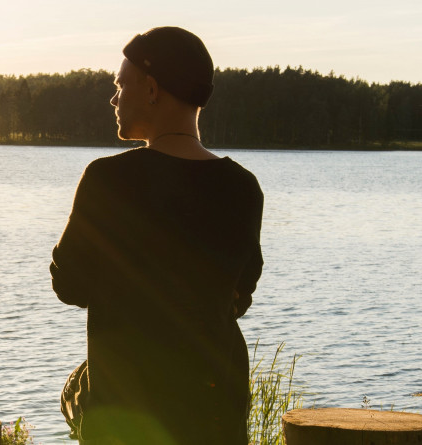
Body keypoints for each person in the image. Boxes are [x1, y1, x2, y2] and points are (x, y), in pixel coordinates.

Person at [51, 26, 264, 444]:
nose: (113, 98)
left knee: (74, 392)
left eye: (120, 84)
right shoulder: (242, 186)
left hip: (129, 412)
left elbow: (70, 284)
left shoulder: (109, 180)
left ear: (151, 89)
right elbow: (240, 294)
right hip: (216, 408)